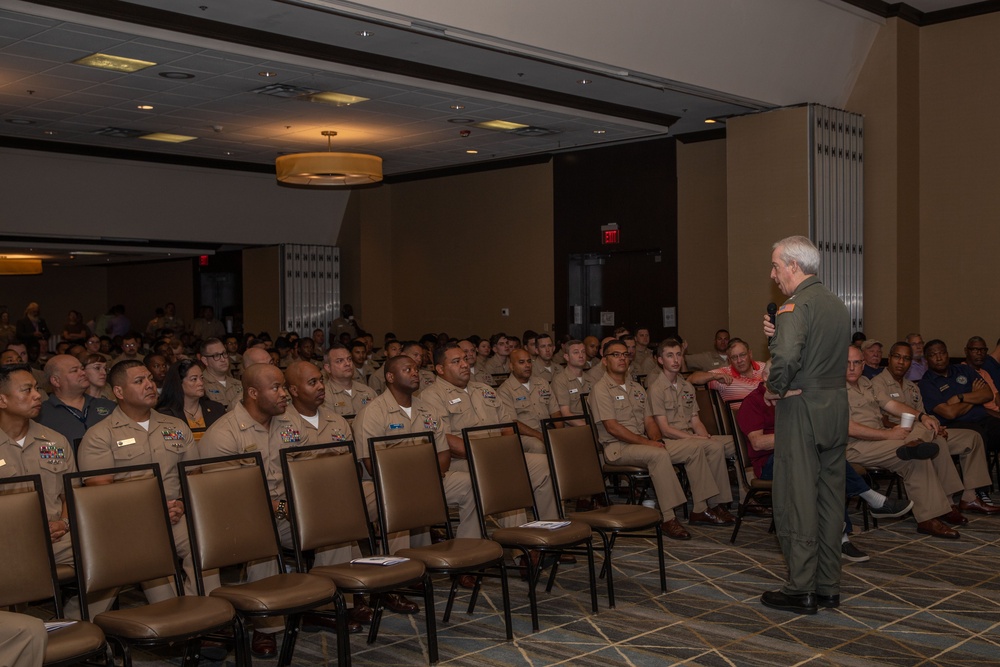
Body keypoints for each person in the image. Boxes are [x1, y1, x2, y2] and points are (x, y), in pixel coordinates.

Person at [198, 363, 354, 655]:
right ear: (253, 393)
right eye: (277, 388)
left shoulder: (290, 425)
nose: (285, 394)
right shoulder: (224, 434)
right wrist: (281, 506)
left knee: (335, 523)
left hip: (286, 510)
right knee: (263, 531)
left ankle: (319, 604)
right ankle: (265, 624)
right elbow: (226, 496)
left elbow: (307, 472)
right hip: (238, 517)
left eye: (284, 386)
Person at [77, 360, 217, 619]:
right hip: (129, 522)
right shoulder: (100, 436)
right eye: (139, 381)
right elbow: (98, 495)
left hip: (176, 514)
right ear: (118, 392)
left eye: (151, 379)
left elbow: (194, 475)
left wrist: (183, 504)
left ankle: (207, 616)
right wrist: (153, 511)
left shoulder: (175, 426)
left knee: (205, 545)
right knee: (154, 561)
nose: (150, 385)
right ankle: (180, 621)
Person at [283, 360, 418, 624]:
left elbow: (351, 466)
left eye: (321, 380)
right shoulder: (281, 423)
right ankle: (341, 596)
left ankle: (391, 580)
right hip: (305, 502)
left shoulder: (337, 420)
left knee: (391, 497)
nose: (321, 386)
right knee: (337, 514)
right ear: (294, 390)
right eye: (312, 383)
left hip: (342, 491)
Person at [738, 364, 914, 565]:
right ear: (765, 377)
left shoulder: (793, 398)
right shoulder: (752, 402)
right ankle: (869, 503)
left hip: (804, 458)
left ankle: (843, 536)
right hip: (771, 463)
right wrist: (798, 434)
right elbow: (758, 443)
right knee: (821, 465)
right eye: (780, 378)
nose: (785, 383)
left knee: (828, 465)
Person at [759, 235, 850, 616]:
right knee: (831, 500)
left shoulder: (794, 306)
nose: (773, 274)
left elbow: (786, 359)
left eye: (777, 266)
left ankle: (800, 589)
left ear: (794, 266)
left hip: (802, 409)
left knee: (796, 499)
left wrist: (773, 388)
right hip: (835, 407)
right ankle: (828, 585)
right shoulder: (836, 303)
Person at [587, 339, 695, 541]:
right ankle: (669, 518)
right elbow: (613, 428)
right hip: (617, 448)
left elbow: (649, 420)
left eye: (625, 354)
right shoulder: (600, 389)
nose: (622, 358)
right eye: (615, 355)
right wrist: (650, 443)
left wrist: (656, 439)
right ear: (604, 361)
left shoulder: (636, 387)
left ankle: (704, 506)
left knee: (685, 448)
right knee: (658, 454)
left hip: (640, 443)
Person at [872, 341, 998, 513]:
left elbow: (924, 414)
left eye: (907, 358)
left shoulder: (912, 387)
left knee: (972, 438)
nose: (901, 362)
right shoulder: (877, 383)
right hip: (898, 436)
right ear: (889, 358)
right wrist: (973, 399)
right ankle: (947, 502)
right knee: (937, 443)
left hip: (924, 432)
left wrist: (936, 425)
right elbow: (881, 418)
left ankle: (970, 498)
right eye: (897, 357)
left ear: (911, 363)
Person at [0, 364, 85, 618]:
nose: (38, 395)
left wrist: (64, 522)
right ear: (2, 399)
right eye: (27, 390)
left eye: (37, 389)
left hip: (56, 537)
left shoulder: (55, 441)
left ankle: (69, 621)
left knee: (113, 550)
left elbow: (69, 493)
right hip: (7, 542)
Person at [645, 339, 736, 527]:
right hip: (670, 439)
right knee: (705, 446)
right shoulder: (656, 388)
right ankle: (705, 506)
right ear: (660, 360)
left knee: (725, 443)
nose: (676, 359)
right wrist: (696, 438)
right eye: (670, 355)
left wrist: (704, 435)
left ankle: (719, 503)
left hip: (689, 436)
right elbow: (664, 429)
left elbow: (695, 420)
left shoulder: (686, 386)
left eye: (679, 354)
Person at [38, 354, 115, 448]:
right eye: (74, 370)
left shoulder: (110, 407)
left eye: (82, 369)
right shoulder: (41, 415)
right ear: (56, 381)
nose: (83, 373)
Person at [497, 348, 559, 453]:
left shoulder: (542, 383)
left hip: (547, 430)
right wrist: (540, 436)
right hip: (524, 435)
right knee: (538, 446)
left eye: (529, 361)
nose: (527, 365)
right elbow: (513, 423)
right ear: (511, 366)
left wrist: (558, 433)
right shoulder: (505, 390)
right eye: (521, 362)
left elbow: (555, 413)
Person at [156, 359, 226, 441]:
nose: (201, 383)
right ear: (179, 383)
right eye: (194, 379)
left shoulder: (217, 409)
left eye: (201, 378)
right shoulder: (165, 415)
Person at [688, 338, 766, 402]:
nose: (739, 360)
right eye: (734, 357)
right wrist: (714, 376)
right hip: (742, 417)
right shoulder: (723, 374)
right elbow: (691, 379)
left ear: (750, 354)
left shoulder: (765, 368)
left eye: (742, 355)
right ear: (729, 360)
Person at [323, 344, 376, 415]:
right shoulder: (324, 396)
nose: (347, 363)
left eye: (349, 359)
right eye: (340, 361)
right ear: (328, 368)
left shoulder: (368, 391)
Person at [198, 338, 242, 409]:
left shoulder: (239, 384)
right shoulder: (200, 386)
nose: (223, 359)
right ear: (205, 361)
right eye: (216, 356)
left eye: (224, 353)